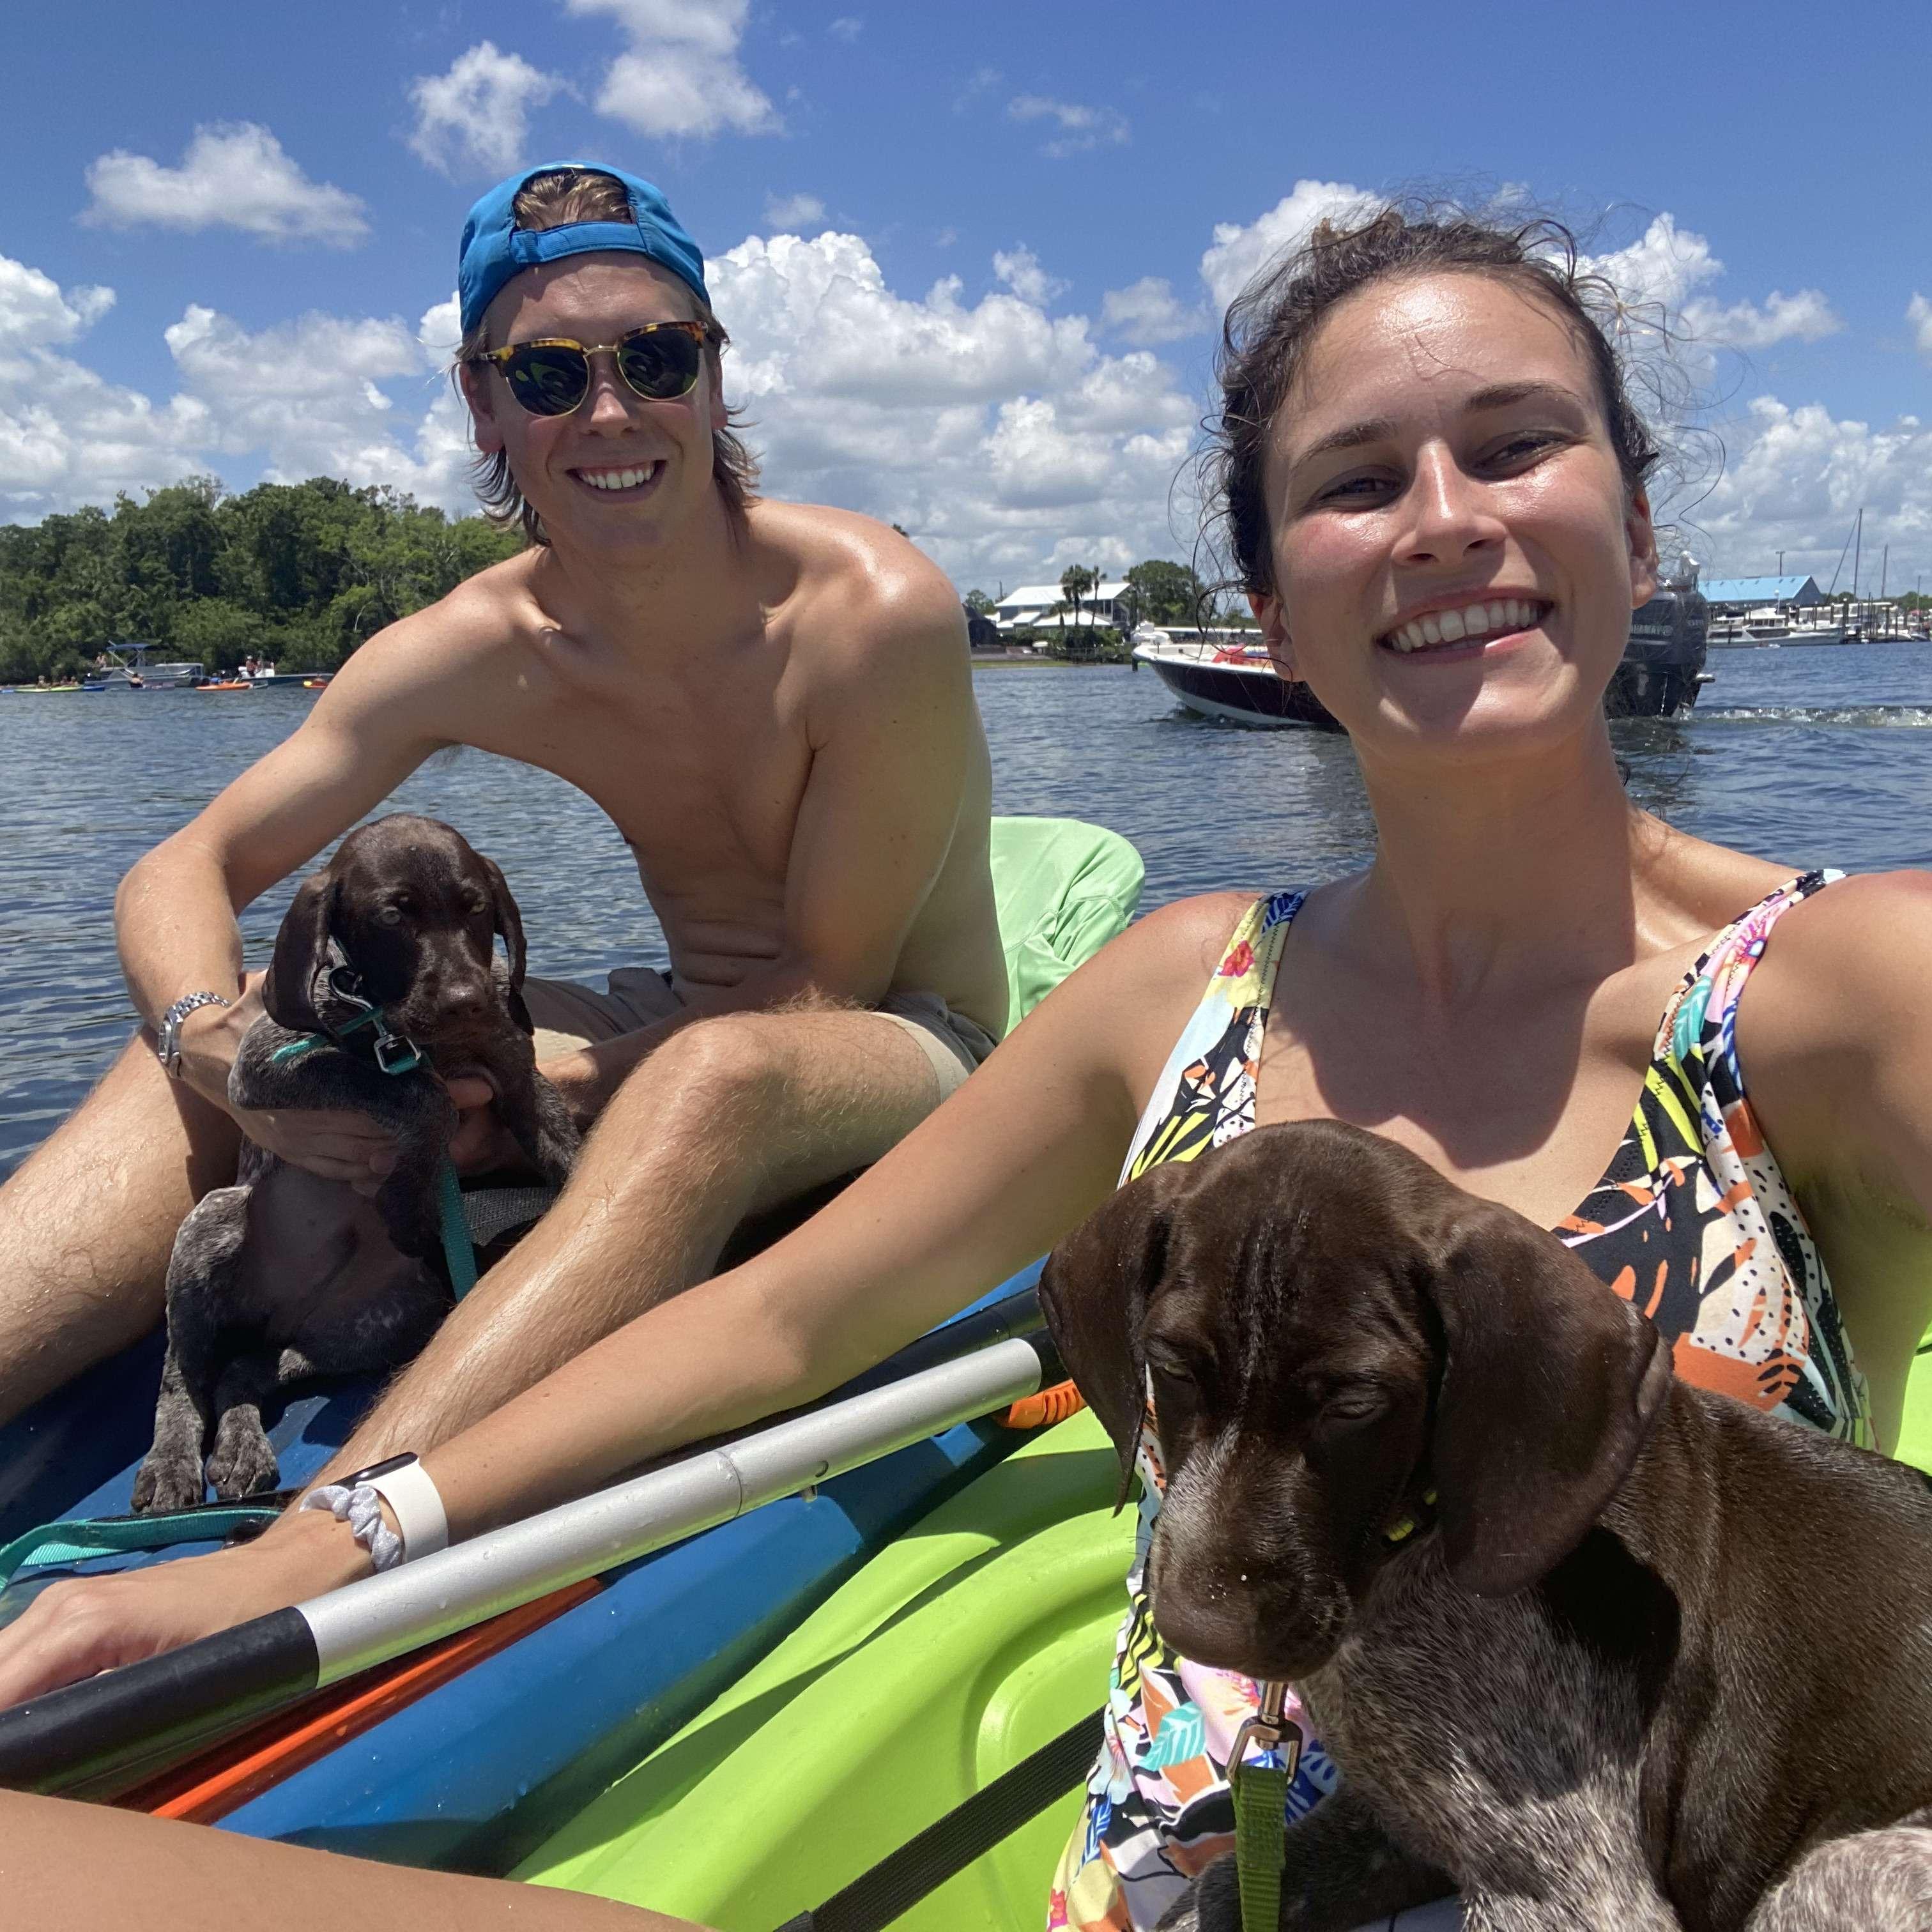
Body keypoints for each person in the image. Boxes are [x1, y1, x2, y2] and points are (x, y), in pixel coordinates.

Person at [4, 203, 1931, 1929]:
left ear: (1644, 520)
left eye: (1518, 445)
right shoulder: (1194, 987)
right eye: (1356, 482)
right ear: (1269, 601)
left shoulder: (1839, 988)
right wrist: (293, 1560)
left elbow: (812, 1015)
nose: (1444, 516)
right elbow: (777, 1327)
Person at [0, 163, 1007, 1461]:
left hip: (901, 1041)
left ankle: (340, 1537)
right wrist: (220, 1053)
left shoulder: (871, 612)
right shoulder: (482, 645)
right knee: (266, 1024)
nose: (609, 409)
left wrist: (523, 1085)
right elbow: (182, 865)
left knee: (715, 1075)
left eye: (654, 356)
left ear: (709, 375)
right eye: (547, 375)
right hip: (665, 1014)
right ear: (482, 402)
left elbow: (829, 980)